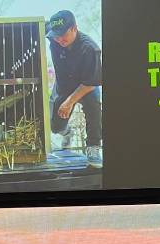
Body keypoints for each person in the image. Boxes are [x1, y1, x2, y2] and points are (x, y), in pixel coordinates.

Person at [46, 10, 103, 168]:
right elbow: (39, 25)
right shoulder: (53, 36)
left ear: (74, 28)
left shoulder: (90, 48)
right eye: (56, 35)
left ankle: (93, 148)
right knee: (55, 127)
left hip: (85, 86)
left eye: (63, 34)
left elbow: (92, 81)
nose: (59, 39)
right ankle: (66, 132)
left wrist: (70, 102)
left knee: (94, 106)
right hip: (63, 86)